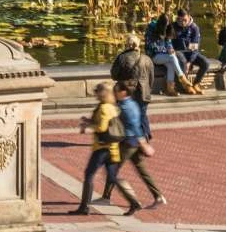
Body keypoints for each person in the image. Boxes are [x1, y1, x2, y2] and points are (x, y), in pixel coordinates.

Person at [70, 82, 141, 215]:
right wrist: (89, 121)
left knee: (89, 174)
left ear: (102, 93)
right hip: (113, 148)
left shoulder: (103, 108)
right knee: (113, 177)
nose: (95, 92)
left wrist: (90, 126)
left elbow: (102, 128)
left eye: (97, 90)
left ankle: (84, 207)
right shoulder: (112, 107)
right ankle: (134, 203)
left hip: (102, 148)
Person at [115, 82, 165, 206]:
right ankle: (158, 196)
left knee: (112, 170)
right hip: (134, 142)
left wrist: (143, 143)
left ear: (123, 92)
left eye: (115, 91)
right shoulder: (132, 103)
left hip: (129, 143)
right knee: (142, 171)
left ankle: (133, 201)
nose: (114, 94)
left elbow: (133, 126)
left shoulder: (124, 107)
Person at [144, 11, 187, 95]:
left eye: (167, 25)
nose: (166, 27)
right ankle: (182, 78)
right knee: (172, 57)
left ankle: (170, 89)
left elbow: (169, 42)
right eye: (165, 25)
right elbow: (150, 46)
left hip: (164, 55)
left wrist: (170, 48)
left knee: (171, 64)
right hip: (154, 55)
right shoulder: (152, 28)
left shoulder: (168, 27)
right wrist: (165, 50)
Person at [110, 33, 154, 106]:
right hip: (143, 94)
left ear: (127, 44)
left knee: (126, 115)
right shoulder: (147, 59)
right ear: (138, 44)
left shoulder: (121, 57)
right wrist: (147, 90)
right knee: (142, 116)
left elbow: (114, 75)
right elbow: (151, 79)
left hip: (126, 94)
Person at [172, 9, 210, 91]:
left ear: (189, 17)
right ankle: (185, 85)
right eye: (180, 20)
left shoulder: (194, 28)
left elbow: (195, 46)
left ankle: (196, 83)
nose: (182, 22)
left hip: (190, 51)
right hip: (178, 51)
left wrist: (190, 61)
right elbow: (170, 43)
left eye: (185, 20)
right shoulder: (173, 27)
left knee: (206, 63)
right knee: (182, 61)